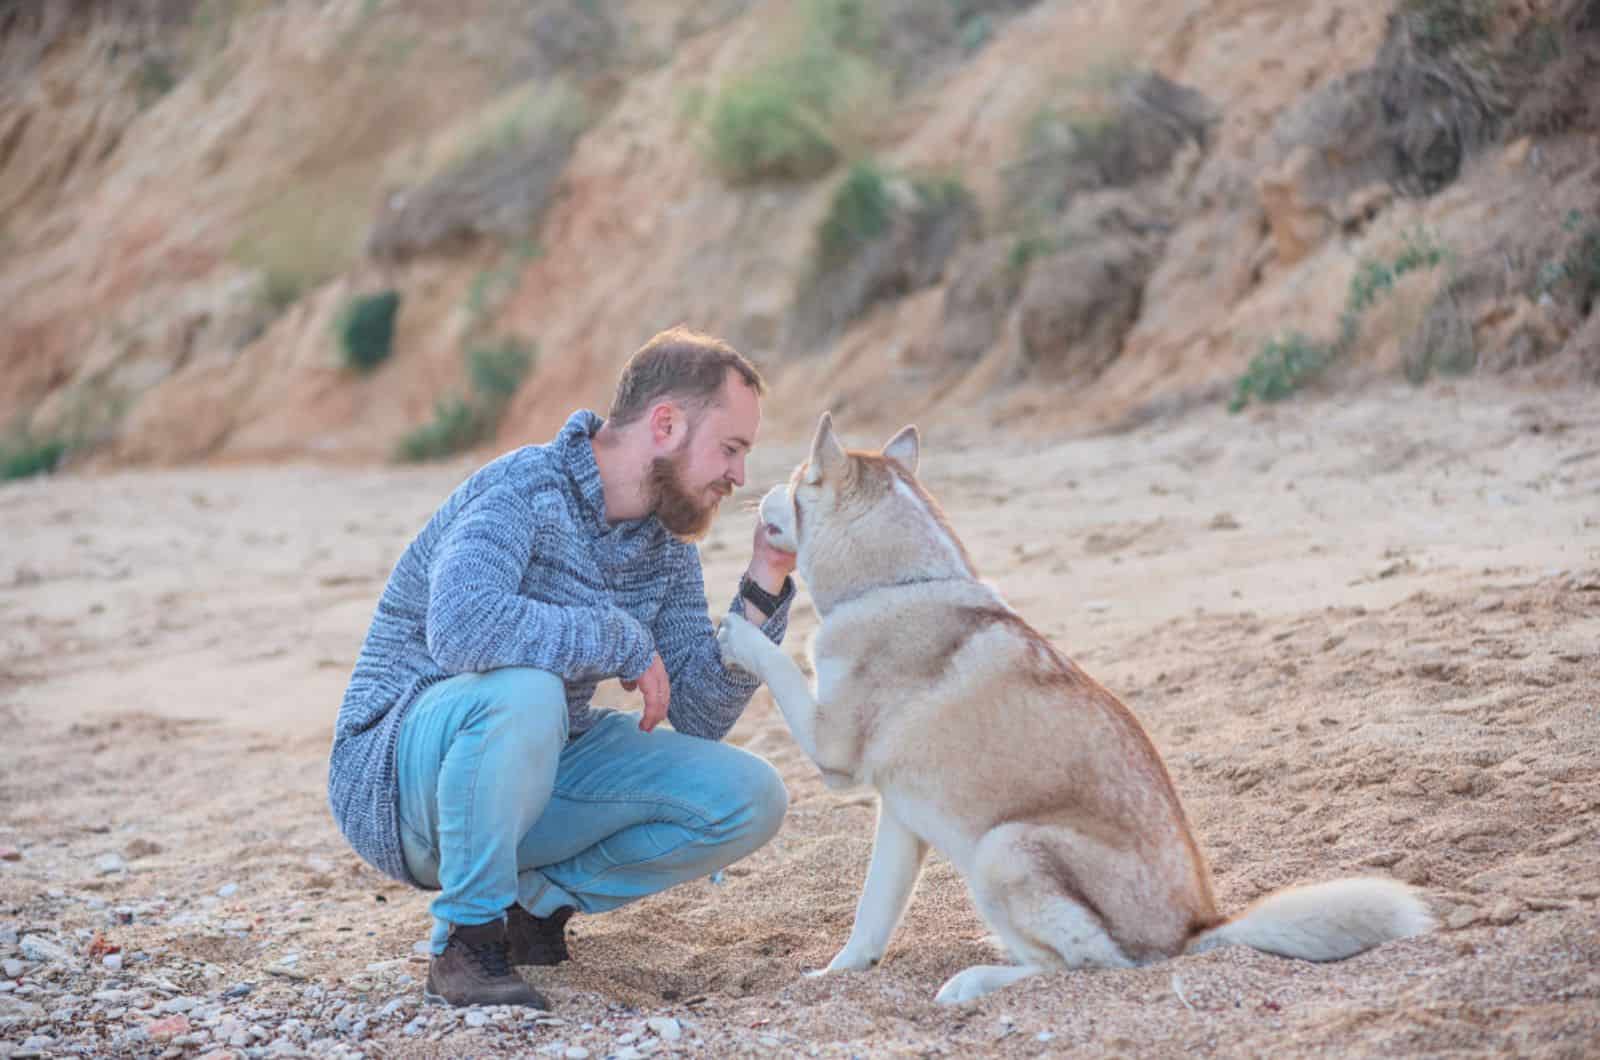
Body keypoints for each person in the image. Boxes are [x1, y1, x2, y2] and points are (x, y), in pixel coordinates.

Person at [327, 326, 798, 1008]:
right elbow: (462, 628)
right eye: (731, 449)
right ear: (665, 424)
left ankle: (534, 905)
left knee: (751, 796)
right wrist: (618, 638)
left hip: (529, 767)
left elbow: (697, 713)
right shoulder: (524, 490)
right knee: (528, 691)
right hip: (399, 776)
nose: (739, 476)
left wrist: (765, 581)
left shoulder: (663, 546)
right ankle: (467, 941)